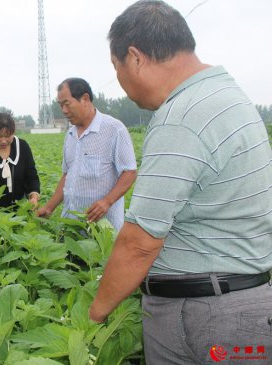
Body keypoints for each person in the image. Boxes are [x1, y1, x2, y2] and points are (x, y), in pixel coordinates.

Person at [89, 1, 272, 364]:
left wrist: (92, 318)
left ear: (135, 57)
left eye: (116, 67)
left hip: (203, 317)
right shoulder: (228, 97)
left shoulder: (184, 114)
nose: (121, 83)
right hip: (242, 306)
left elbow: (140, 243)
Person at [37, 78, 137, 231]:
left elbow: (129, 172)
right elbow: (67, 175)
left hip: (102, 229)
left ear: (85, 99)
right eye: (60, 105)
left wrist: (107, 202)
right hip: (71, 227)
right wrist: (49, 207)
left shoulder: (114, 129)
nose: (63, 110)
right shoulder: (70, 135)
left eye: (67, 104)